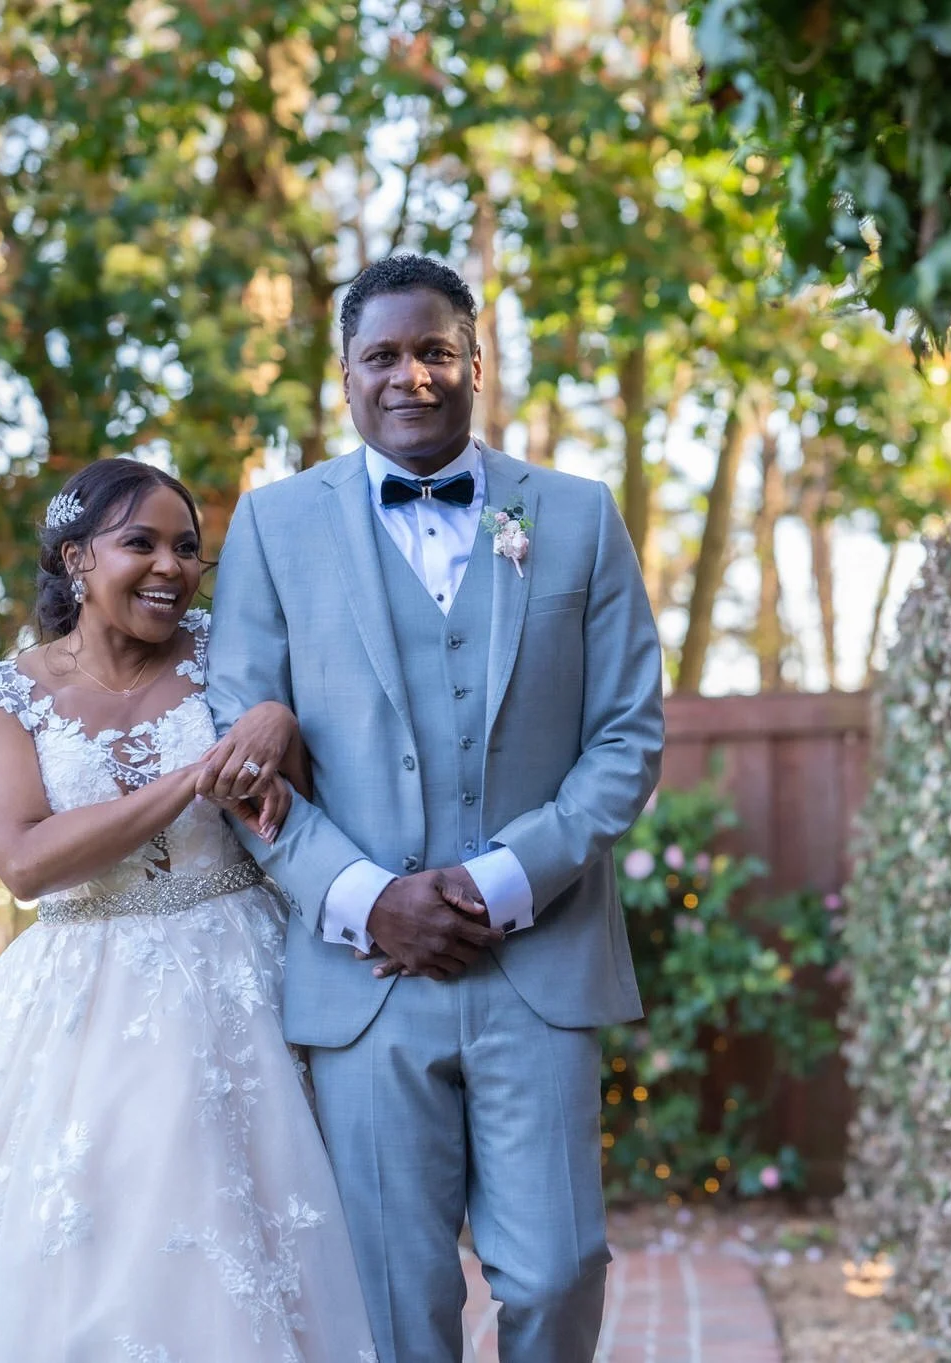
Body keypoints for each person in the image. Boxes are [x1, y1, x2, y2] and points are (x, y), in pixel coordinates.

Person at [205, 252, 664, 1363]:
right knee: (395, 1301)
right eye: (381, 355)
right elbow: (239, 762)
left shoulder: (575, 515)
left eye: (432, 352)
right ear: (345, 373)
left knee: (557, 1270)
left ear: (474, 364)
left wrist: (500, 879)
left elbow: (625, 734)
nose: (408, 375)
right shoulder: (272, 528)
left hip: (537, 962)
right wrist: (368, 901)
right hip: (365, 980)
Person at [0, 458, 379, 1363]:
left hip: (251, 984)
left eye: (188, 549)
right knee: (92, 1248)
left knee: (277, 1246)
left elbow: (312, 775)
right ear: (76, 559)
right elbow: (23, 859)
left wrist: (276, 721)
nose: (171, 567)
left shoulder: (235, 651)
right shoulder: (5, 695)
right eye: (139, 542)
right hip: (81, 1005)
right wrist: (194, 777)